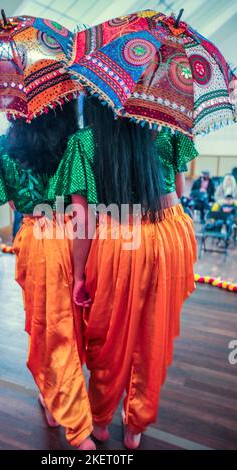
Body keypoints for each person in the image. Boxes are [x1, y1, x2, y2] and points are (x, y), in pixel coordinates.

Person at [62, 97, 198, 450]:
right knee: (154, 334)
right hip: (168, 234)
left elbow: (83, 222)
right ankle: (136, 424)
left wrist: (78, 276)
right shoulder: (169, 128)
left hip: (118, 237)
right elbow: (180, 191)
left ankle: (101, 421)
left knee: (108, 335)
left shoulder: (84, 142)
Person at [0, 100, 96, 450]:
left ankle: (67, 416)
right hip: (79, 237)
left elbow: (12, 204)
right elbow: (84, 201)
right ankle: (64, 407)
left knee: (46, 326)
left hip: (37, 240)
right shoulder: (77, 141)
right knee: (70, 327)